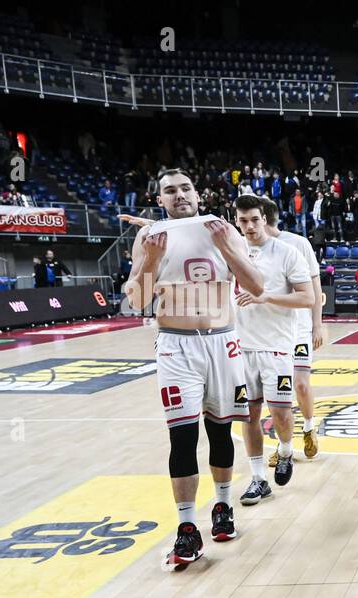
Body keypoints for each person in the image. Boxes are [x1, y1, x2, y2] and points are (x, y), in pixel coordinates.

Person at [124, 169, 265, 564]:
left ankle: (222, 506)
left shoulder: (220, 228)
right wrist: (151, 258)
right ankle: (186, 527)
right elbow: (136, 301)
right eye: (170, 190)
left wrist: (229, 249)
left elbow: (256, 287)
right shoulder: (150, 236)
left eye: (185, 187)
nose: (179, 195)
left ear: (198, 193)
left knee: (220, 433)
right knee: (182, 438)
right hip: (176, 346)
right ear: (160, 199)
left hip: (223, 342)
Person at [232, 195, 315, 505]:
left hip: (278, 346)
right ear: (236, 221)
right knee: (248, 415)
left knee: (280, 414)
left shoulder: (287, 253)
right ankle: (257, 478)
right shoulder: (232, 252)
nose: (250, 226)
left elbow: (307, 298)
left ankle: (284, 451)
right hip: (242, 347)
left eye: (255, 219)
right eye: (243, 221)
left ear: (264, 218)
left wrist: (266, 297)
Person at [260, 197, 324, 461]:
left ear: (262, 217)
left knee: (300, 385)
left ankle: (309, 428)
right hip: (269, 329)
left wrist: (317, 325)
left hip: (298, 326)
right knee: (276, 390)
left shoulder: (298, 243)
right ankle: (284, 445)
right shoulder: (248, 248)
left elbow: (315, 284)